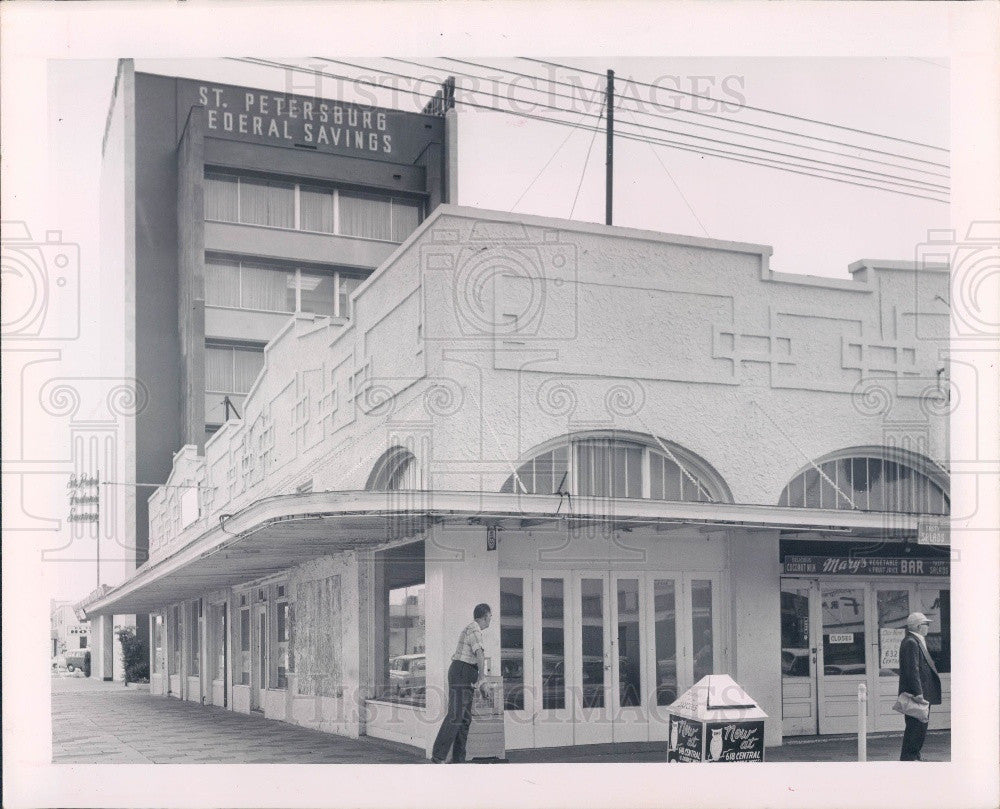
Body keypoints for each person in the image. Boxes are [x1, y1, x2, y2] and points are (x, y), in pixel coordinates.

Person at [431, 603, 491, 763]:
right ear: (485, 616)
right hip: (462, 671)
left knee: (464, 718)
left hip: (465, 672)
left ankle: (458, 760)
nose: (490, 620)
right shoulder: (474, 629)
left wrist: (477, 677)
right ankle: (438, 756)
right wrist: (482, 680)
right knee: (456, 715)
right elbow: (479, 654)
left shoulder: (472, 629)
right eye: (490, 617)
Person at [897, 611, 941, 761]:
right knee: (916, 728)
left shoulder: (915, 640)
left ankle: (914, 756)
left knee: (919, 728)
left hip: (922, 692)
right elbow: (912, 670)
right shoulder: (911, 642)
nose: (928, 627)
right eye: (926, 624)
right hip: (919, 693)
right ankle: (909, 758)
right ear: (918, 626)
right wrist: (918, 693)